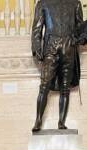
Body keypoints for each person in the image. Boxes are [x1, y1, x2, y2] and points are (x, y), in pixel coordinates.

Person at [30, 0, 83, 131]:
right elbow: (37, 28)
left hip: (68, 46)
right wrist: (36, 47)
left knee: (65, 87)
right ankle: (38, 120)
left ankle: (61, 122)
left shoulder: (75, 3)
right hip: (50, 45)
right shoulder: (43, 3)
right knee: (44, 85)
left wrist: (86, 32)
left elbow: (79, 28)